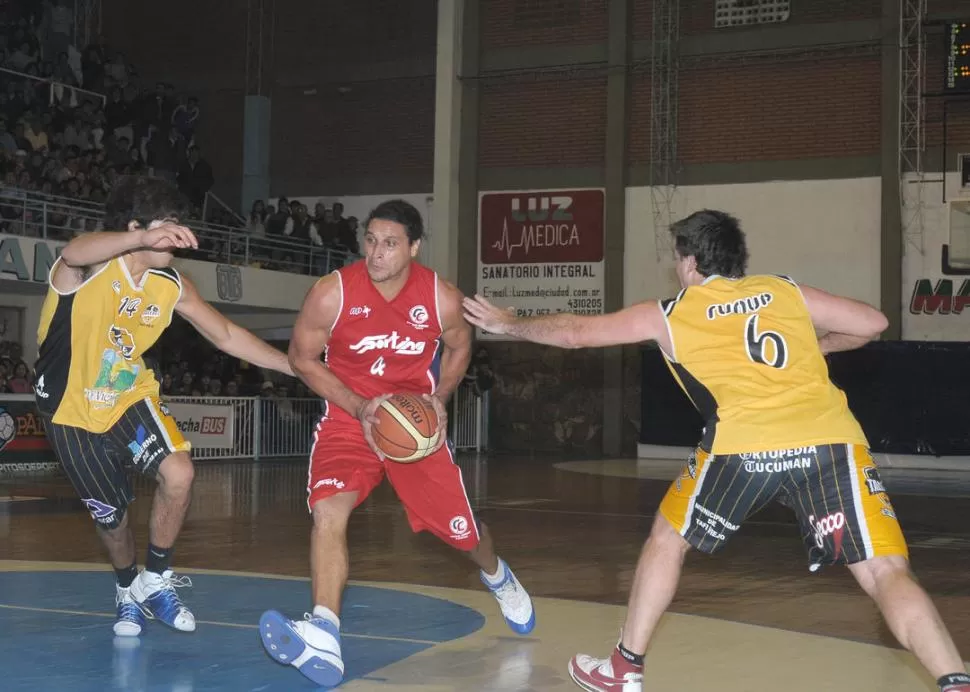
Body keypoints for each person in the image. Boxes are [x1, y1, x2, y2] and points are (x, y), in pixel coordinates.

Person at [462, 209, 970, 692]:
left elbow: (575, 333)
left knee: (667, 540)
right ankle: (954, 679)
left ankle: (624, 668)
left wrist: (510, 323)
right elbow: (874, 323)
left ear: (689, 263)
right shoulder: (782, 290)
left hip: (742, 447)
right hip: (831, 441)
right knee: (886, 573)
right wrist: (818, 347)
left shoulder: (671, 314)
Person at [258, 199, 534, 688]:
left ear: (413, 247)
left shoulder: (440, 297)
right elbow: (302, 358)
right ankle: (323, 630)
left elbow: (460, 343)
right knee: (328, 512)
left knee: (465, 535)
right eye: (370, 241)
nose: (377, 253)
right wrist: (358, 405)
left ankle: (496, 575)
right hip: (349, 419)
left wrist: (440, 397)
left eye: (389, 244)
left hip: (412, 426)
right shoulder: (331, 293)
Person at [33, 175, 293, 639]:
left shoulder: (171, 284)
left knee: (180, 472)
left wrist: (297, 366)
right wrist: (138, 238)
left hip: (129, 397)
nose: (176, 233)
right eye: (166, 224)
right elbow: (73, 250)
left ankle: (155, 580)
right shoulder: (89, 267)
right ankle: (126, 588)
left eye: (178, 223)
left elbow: (227, 336)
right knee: (111, 521)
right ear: (135, 227)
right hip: (69, 411)